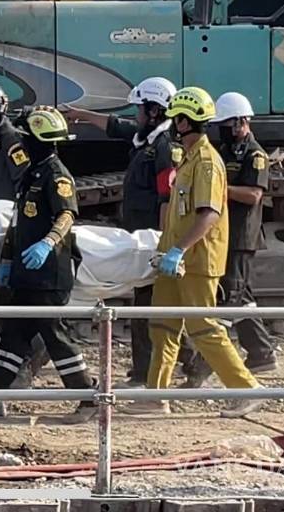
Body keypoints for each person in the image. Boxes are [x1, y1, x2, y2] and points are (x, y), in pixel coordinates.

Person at [124, 86, 263, 418]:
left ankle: (247, 389)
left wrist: (178, 250)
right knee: (163, 326)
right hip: (175, 259)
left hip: (196, 260)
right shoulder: (187, 159)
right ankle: (156, 397)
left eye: (175, 118)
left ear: (185, 122)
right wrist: (166, 249)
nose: (172, 123)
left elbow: (209, 213)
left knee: (203, 327)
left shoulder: (206, 162)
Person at [59, 77, 203, 388]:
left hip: (151, 240)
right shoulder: (147, 138)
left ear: (154, 111)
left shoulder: (165, 148)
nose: (135, 114)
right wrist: (80, 114)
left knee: (148, 307)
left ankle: (162, 370)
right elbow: (116, 126)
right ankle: (184, 364)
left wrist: (163, 244)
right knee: (149, 304)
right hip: (138, 237)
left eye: (140, 108)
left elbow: (167, 198)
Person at [0, 106, 97, 424]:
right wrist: (8, 261)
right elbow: (17, 222)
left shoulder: (56, 175)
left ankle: (88, 396)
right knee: (13, 335)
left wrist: (48, 243)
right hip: (27, 273)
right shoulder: (31, 174)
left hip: (49, 275)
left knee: (54, 334)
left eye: (25, 138)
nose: (20, 143)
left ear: (39, 141)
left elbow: (66, 215)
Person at [208, 92, 277, 372]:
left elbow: (253, 195)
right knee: (242, 297)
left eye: (226, 124)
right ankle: (261, 353)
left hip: (241, 236)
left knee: (230, 295)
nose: (222, 130)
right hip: (225, 232)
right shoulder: (226, 150)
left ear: (240, 122)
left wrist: (218, 190)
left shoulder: (255, 155)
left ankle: (204, 365)